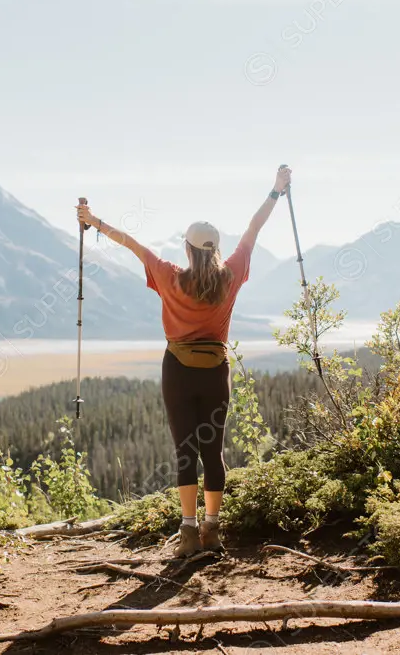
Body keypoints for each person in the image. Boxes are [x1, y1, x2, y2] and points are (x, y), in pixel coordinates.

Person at [76, 165, 291, 557]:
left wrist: (93, 222)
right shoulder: (233, 273)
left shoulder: (169, 275)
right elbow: (253, 228)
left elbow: (132, 244)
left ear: (188, 249)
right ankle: (213, 531)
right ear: (216, 249)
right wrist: (276, 191)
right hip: (216, 373)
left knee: (185, 451)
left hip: (177, 371)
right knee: (214, 453)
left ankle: (188, 533)